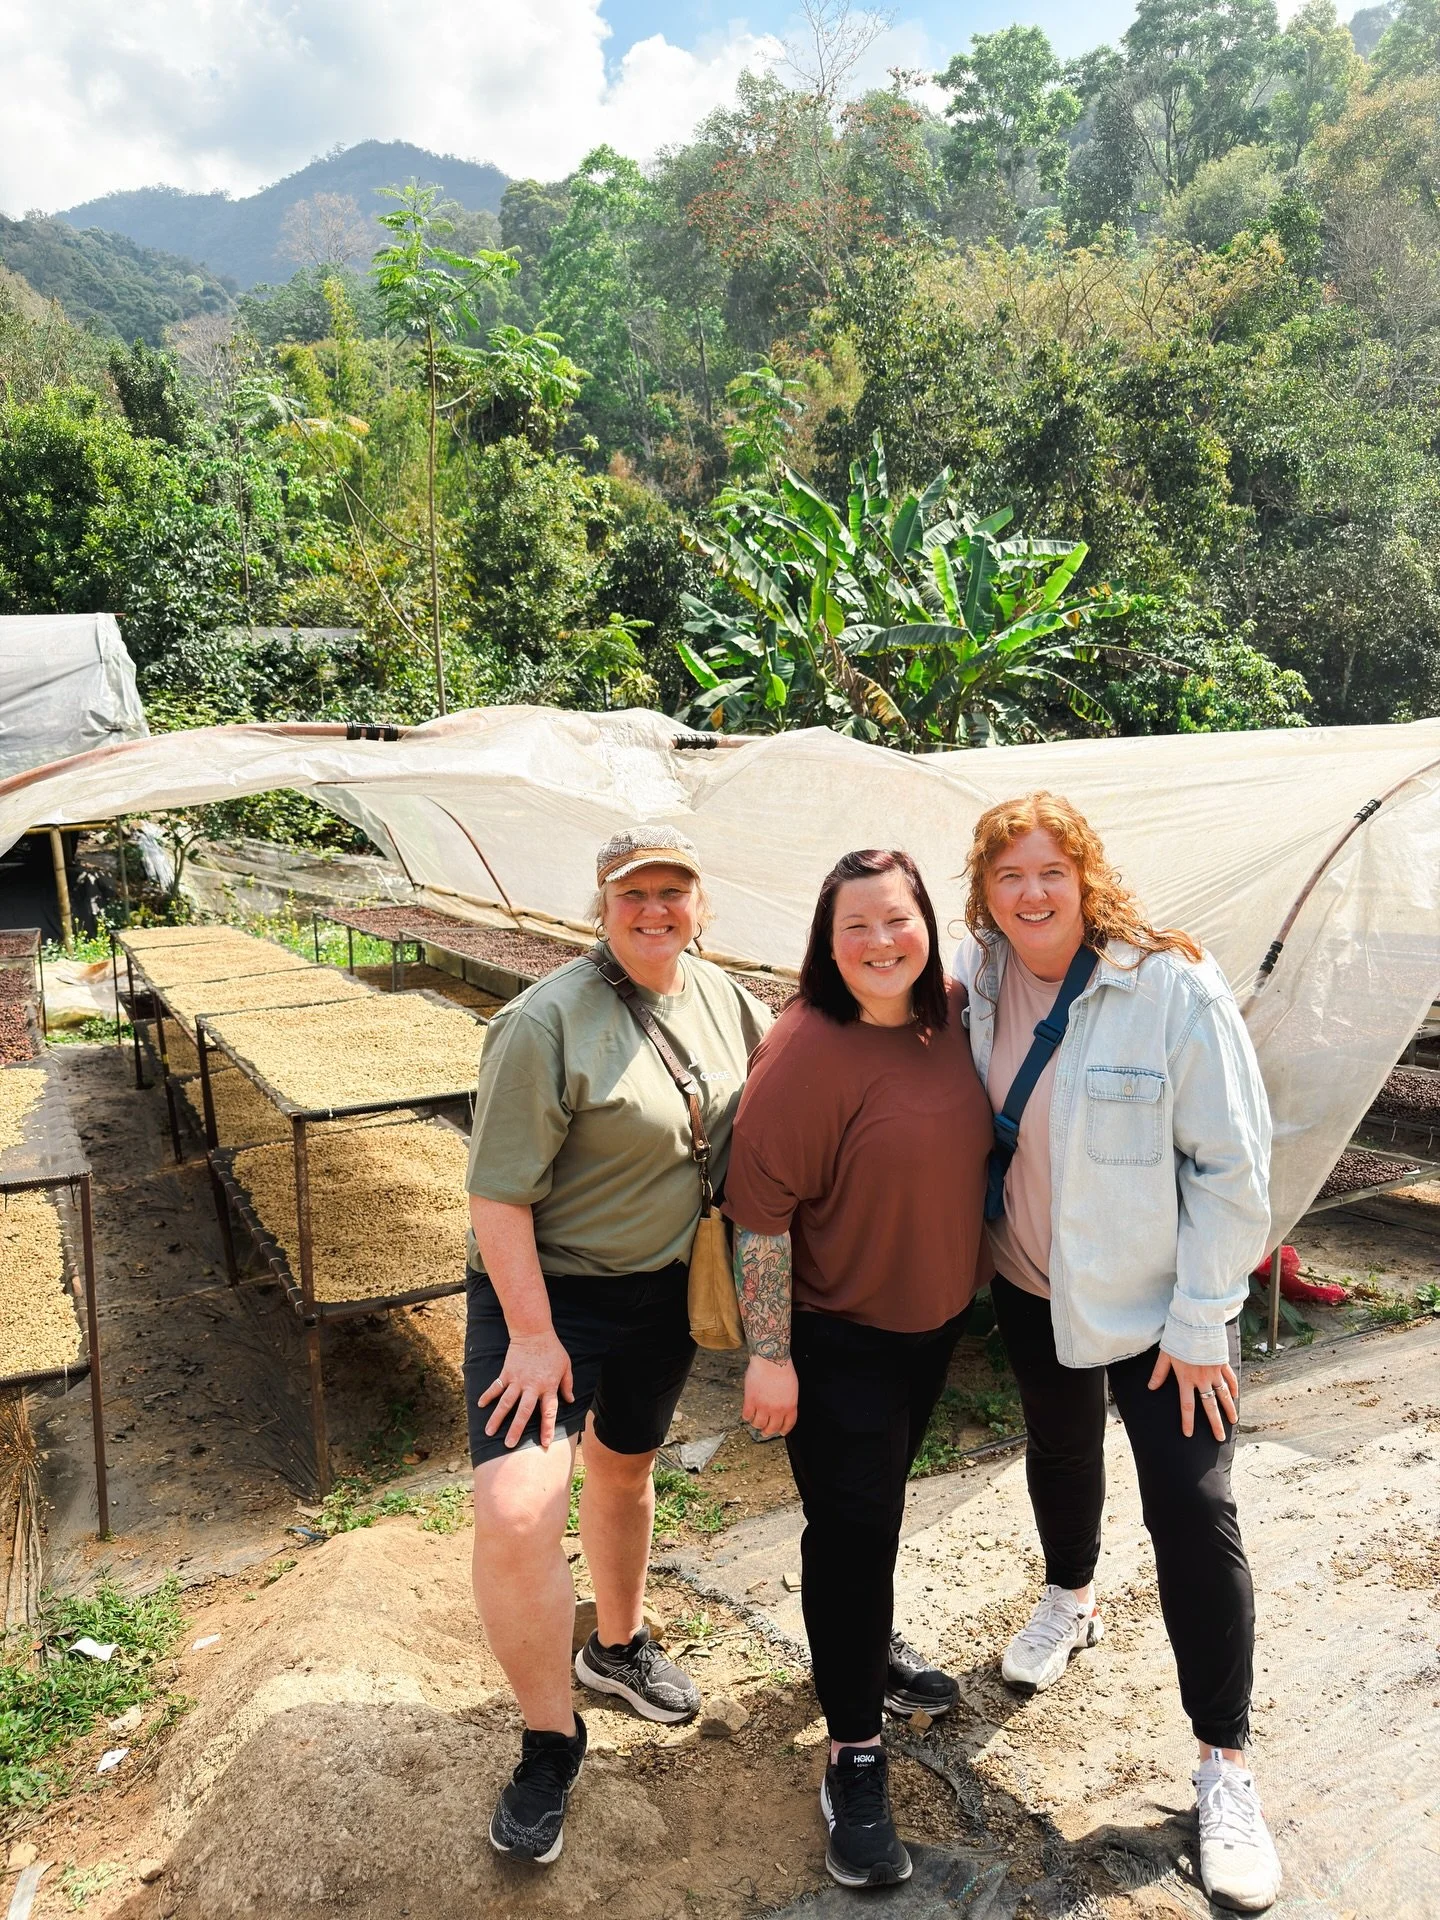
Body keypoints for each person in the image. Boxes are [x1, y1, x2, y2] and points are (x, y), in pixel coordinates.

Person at [955, 791, 1281, 1914]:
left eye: (1050, 872)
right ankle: (1071, 1596)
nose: (1032, 894)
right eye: (1009, 878)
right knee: (1057, 1444)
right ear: (984, 896)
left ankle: (1225, 1767)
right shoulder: (983, 980)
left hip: (1162, 1311)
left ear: (1085, 876)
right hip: (1034, 1279)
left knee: (1193, 1507)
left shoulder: (1169, 988)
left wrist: (1202, 1321)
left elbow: (1235, 1171)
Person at [464, 824, 771, 1866]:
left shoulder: (724, 999)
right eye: (634, 894)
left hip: (660, 1293)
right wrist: (535, 1337)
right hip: (549, 1300)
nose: (655, 911)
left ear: (700, 905)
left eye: (673, 893)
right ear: (600, 905)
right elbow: (496, 1195)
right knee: (514, 1510)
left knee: (627, 1465)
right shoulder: (546, 1021)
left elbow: (787, 1087)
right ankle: (551, 1739)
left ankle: (618, 1646)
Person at [724, 849, 993, 1890]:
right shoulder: (806, 1051)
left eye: (899, 920)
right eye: (857, 928)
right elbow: (760, 1220)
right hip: (840, 1341)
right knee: (851, 1533)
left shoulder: (950, 1015)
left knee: (874, 1516)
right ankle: (853, 1754)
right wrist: (772, 1355)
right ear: (826, 944)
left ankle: (863, 1649)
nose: (882, 943)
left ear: (929, 924)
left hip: (929, 1327)